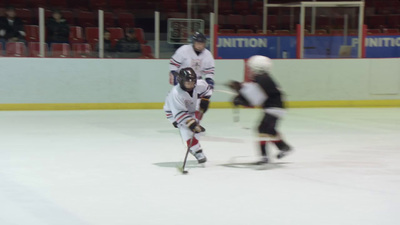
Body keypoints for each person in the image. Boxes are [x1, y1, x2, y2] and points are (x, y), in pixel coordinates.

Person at [227, 55, 292, 164]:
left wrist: (239, 95)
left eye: (251, 68)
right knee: (269, 130)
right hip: (276, 108)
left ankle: (264, 157)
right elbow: (253, 94)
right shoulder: (264, 78)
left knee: (262, 129)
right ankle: (284, 147)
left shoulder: (261, 79)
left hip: (273, 108)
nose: (250, 70)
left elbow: (254, 99)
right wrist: (240, 92)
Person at [164, 67, 212, 164]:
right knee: (186, 129)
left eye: (192, 82)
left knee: (196, 129)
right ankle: (196, 150)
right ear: (181, 81)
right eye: (187, 83)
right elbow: (179, 114)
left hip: (190, 108)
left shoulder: (199, 84)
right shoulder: (176, 93)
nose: (190, 85)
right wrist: (192, 125)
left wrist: (205, 99)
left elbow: (207, 89)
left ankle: (193, 143)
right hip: (174, 113)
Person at [169, 31, 215, 120]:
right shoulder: (183, 50)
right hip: (184, 82)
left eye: (202, 43)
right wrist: (174, 74)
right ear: (193, 42)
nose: (200, 45)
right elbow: (173, 64)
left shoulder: (207, 54)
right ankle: (186, 122)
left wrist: (209, 80)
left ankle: (194, 124)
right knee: (184, 106)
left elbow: (209, 71)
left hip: (196, 82)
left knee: (198, 106)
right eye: (198, 43)